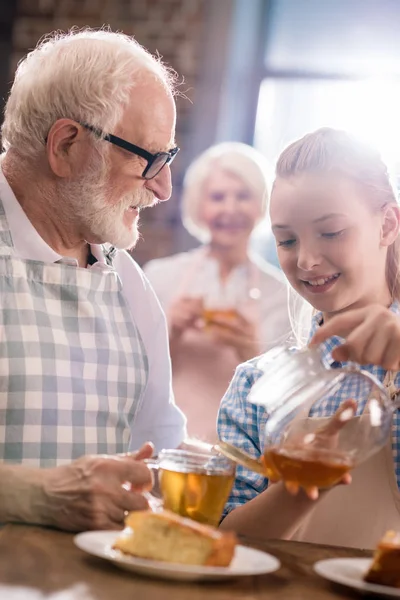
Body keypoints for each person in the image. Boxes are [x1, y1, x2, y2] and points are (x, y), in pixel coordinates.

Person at [0, 28, 187, 531]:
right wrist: (33, 495)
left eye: (168, 158)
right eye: (147, 157)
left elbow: (158, 447)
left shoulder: (127, 282)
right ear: (65, 145)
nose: (164, 188)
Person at [218, 127, 400, 549]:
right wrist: (303, 482)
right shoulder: (257, 385)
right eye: (286, 240)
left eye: (331, 232)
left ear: (387, 224)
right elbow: (225, 542)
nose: (306, 260)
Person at [144, 143, 290, 443]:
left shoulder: (283, 294)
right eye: (218, 197)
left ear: (262, 204)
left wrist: (252, 351)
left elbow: (289, 399)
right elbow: (132, 374)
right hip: (167, 441)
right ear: (199, 205)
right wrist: (169, 329)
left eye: (243, 196)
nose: (230, 208)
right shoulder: (159, 276)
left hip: (243, 447)